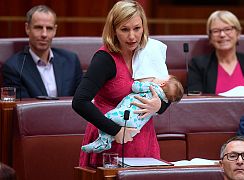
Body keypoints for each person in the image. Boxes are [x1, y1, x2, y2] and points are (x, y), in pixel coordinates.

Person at [72, 0, 171, 168]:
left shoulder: (150, 52)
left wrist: (159, 106)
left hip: (143, 138)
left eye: (137, 28)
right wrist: (115, 131)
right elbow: (79, 102)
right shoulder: (104, 59)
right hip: (110, 139)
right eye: (125, 30)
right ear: (114, 31)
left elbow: (168, 92)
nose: (132, 36)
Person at [81, 75, 184, 153]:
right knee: (115, 129)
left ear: (162, 83)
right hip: (135, 126)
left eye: (162, 77)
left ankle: (102, 141)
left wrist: (142, 82)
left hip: (126, 114)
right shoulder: (162, 100)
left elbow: (135, 87)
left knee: (107, 119)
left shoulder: (152, 87)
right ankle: (105, 142)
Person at [2, 5, 82, 98]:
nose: (44, 34)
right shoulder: (14, 67)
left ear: (55, 30)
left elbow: (81, 100)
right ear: (27, 28)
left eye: (49, 28)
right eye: (38, 27)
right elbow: (22, 108)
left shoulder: (71, 61)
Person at [188, 10, 244, 95]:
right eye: (216, 31)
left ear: (238, 33)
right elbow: (195, 99)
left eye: (227, 29)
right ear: (210, 37)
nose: (222, 34)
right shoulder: (197, 65)